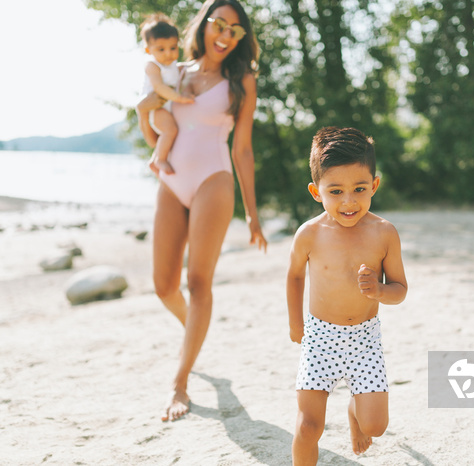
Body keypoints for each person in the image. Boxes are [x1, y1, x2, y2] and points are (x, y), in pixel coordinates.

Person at [147, 0, 268, 422]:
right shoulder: (174, 72)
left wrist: (252, 213)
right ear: (205, 25)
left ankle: (179, 381)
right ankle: (193, 333)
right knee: (163, 286)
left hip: (213, 181)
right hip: (171, 180)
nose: (225, 34)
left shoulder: (242, 82)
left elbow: (244, 149)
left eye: (235, 30)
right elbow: (153, 129)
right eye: (220, 24)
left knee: (198, 283)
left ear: (240, 39)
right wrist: (146, 114)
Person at [286, 127, 408, 464]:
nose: (349, 201)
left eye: (359, 189)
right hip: (320, 339)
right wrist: (296, 323)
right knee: (309, 426)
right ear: (316, 191)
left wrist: (380, 290)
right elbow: (295, 275)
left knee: (377, 426)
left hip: (364, 341)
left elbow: (400, 290)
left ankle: (356, 412)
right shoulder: (309, 234)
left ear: (375, 185)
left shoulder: (384, 233)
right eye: (336, 191)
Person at [135, 13, 194, 175]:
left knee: (170, 133)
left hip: (166, 107)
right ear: (148, 50)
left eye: (173, 48)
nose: (168, 53)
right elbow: (159, 87)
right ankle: (160, 159)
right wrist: (180, 98)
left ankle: (154, 161)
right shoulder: (152, 66)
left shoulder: (172, 64)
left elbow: (179, 69)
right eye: (161, 49)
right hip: (156, 108)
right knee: (170, 131)